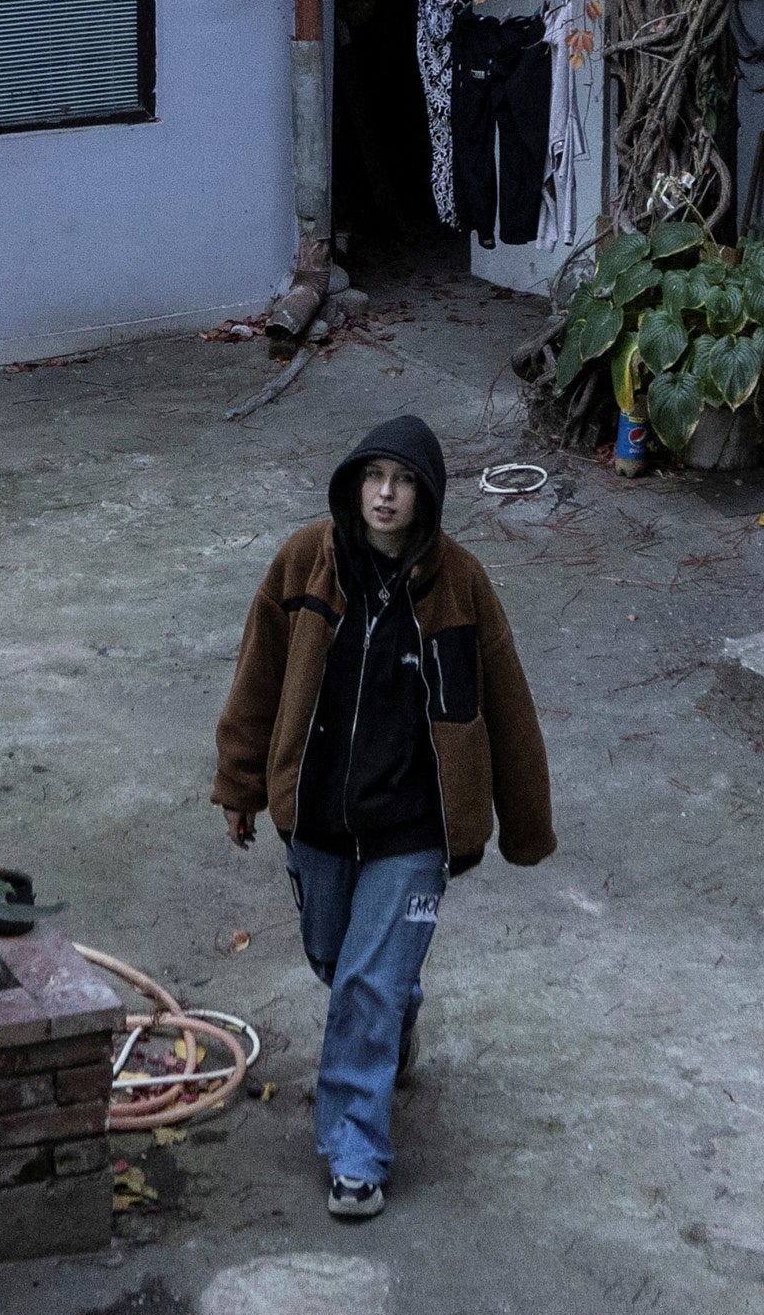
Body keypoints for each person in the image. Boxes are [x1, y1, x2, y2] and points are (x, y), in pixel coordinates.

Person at [211, 414, 554, 1222]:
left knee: (364, 982)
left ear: (426, 495)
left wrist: (525, 824)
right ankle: (397, 1012)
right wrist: (240, 783)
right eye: (374, 478)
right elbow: (258, 674)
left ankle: (354, 1150)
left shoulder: (462, 584)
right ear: (354, 487)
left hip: (414, 828)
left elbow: (508, 705)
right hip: (319, 817)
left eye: (402, 481)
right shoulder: (304, 562)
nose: (387, 494)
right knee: (337, 959)